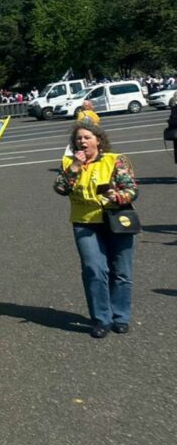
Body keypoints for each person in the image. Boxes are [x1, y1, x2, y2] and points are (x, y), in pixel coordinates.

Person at [54, 122, 138, 338]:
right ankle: (102, 318)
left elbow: (131, 189)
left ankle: (120, 316)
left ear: (98, 140)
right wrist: (74, 168)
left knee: (121, 271)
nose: (82, 141)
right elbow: (60, 188)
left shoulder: (116, 160)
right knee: (94, 269)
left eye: (87, 137)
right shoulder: (69, 163)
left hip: (116, 219)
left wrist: (118, 196)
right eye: (78, 138)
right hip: (85, 222)